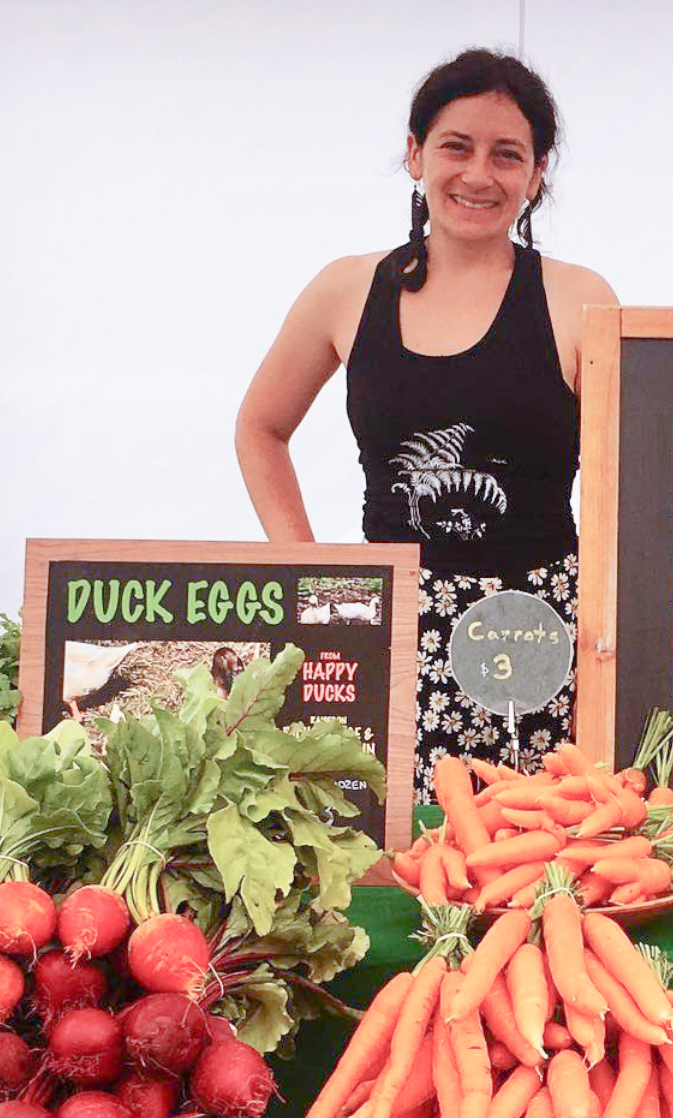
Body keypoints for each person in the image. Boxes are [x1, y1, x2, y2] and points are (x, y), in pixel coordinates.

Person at [235, 49, 616, 796]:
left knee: (535, 861)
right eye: (455, 146)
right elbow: (260, 428)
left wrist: (608, 628)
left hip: (541, 636)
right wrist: (310, 579)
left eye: (507, 155)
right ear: (415, 154)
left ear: (537, 174)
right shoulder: (345, 290)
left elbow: (623, 481)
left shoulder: (579, 300)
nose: (479, 174)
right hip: (387, 631)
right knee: (392, 867)